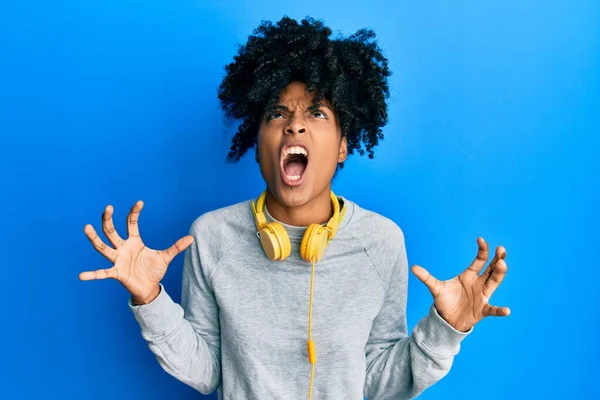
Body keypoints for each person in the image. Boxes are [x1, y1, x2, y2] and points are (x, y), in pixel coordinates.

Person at [79, 16, 510, 400]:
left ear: (343, 146)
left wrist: (444, 330)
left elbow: (379, 384)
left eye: (318, 113)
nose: (295, 124)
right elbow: (206, 370)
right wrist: (150, 297)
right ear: (258, 146)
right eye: (277, 113)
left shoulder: (381, 242)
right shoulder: (212, 235)